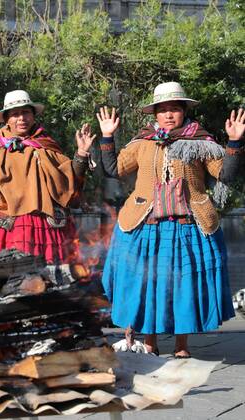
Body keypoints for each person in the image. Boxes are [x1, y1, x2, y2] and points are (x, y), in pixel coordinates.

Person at [98, 81, 245, 358]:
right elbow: (113, 169)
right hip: (146, 224)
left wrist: (234, 142)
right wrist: (107, 137)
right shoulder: (142, 143)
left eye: (174, 109)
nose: (168, 115)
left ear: (184, 111)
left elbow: (225, 174)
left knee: (182, 284)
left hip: (187, 226)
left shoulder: (201, 142)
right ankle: (150, 342)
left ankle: (181, 345)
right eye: (163, 110)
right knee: (148, 282)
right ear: (154, 114)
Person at [0, 90, 94, 263]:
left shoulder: (46, 145)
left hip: (43, 226)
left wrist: (81, 154)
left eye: (25, 112)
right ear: (6, 119)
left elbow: (70, 185)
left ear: (33, 116)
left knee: (44, 280)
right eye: (15, 114)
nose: (21, 118)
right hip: (3, 225)